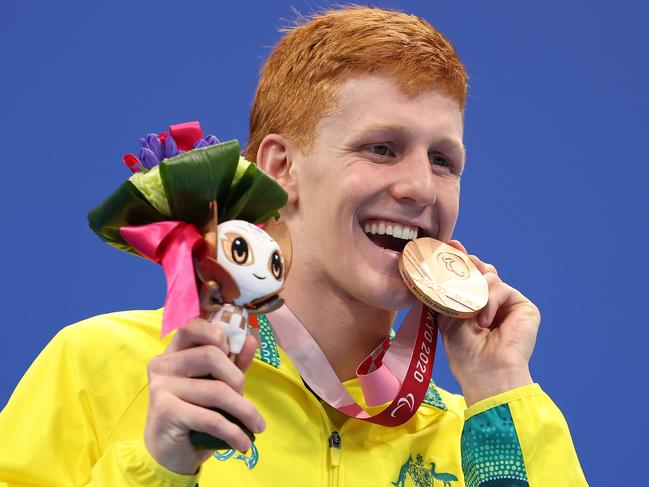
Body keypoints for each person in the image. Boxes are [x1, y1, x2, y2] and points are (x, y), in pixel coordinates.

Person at [0, 6, 588, 486]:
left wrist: (501, 390)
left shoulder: (477, 436)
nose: (419, 188)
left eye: (443, 160)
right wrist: (158, 468)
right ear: (281, 167)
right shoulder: (107, 366)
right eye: (381, 148)